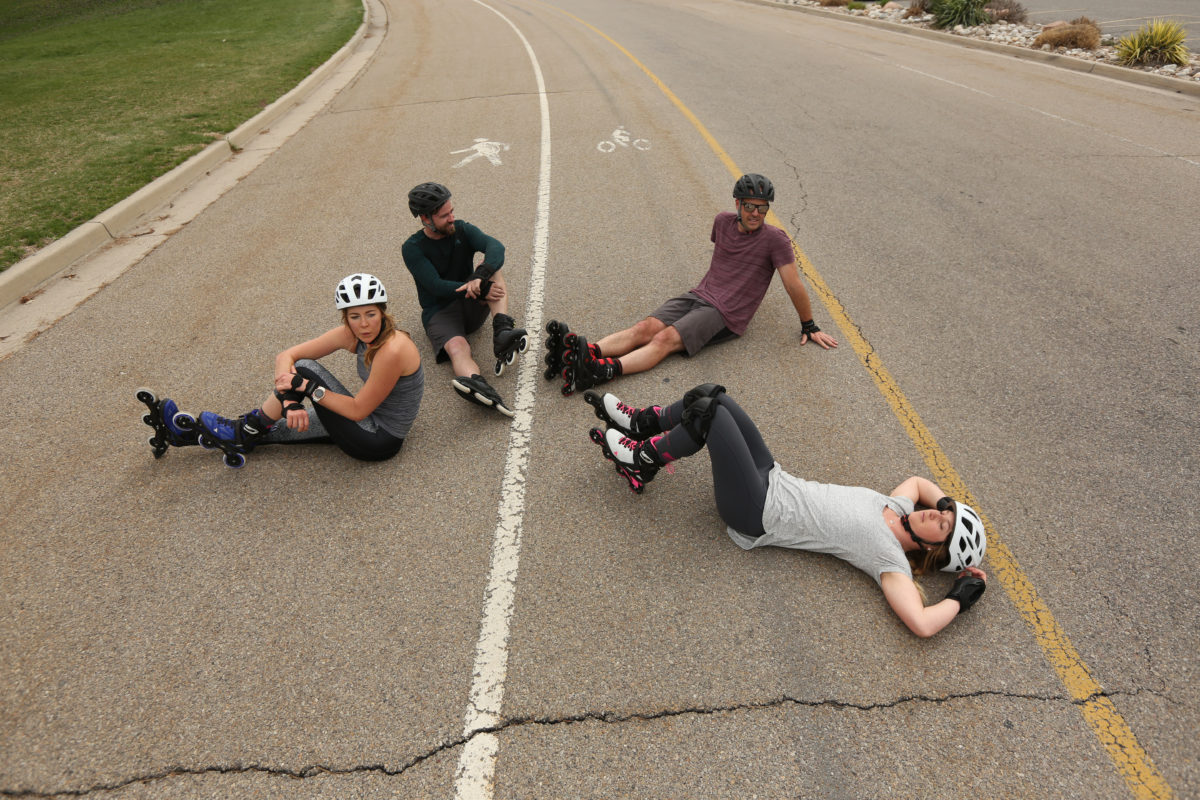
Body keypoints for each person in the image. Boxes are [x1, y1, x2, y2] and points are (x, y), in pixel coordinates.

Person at [585, 385, 988, 638]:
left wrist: (962, 595)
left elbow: (921, 624)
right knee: (711, 395)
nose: (936, 515)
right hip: (770, 475)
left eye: (944, 527)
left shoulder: (890, 560)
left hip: (755, 510)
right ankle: (641, 424)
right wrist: (948, 502)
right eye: (942, 513)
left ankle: (643, 459)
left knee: (711, 416)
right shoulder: (899, 503)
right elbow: (920, 482)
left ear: (934, 550)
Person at [548, 174, 838, 394]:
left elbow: (793, 284)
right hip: (699, 295)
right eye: (750, 206)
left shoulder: (776, 240)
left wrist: (809, 325)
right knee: (644, 328)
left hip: (726, 314)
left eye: (762, 209)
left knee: (664, 339)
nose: (755, 214)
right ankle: (587, 353)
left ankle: (602, 371)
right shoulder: (722, 222)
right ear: (737, 204)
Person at [158, 273, 423, 465]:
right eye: (355, 316)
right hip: (362, 422)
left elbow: (357, 410)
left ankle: (243, 431)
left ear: (383, 312)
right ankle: (187, 434)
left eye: (371, 314)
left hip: (377, 438)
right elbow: (286, 355)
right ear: (346, 318)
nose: (364, 324)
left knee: (305, 370)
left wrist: (306, 388)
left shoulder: (393, 348)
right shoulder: (352, 334)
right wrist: (290, 403)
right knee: (272, 428)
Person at [402, 182, 526, 418]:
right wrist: (479, 289)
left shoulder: (461, 229)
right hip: (440, 312)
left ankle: (501, 330)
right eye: (444, 216)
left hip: (471, 303)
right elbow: (435, 286)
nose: (451, 218)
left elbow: (495, 246)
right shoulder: (412, 248)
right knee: (459, 347)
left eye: (451, 211)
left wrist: (481, 278)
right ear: (425, 218)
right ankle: (477, 385)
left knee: (491, 268)